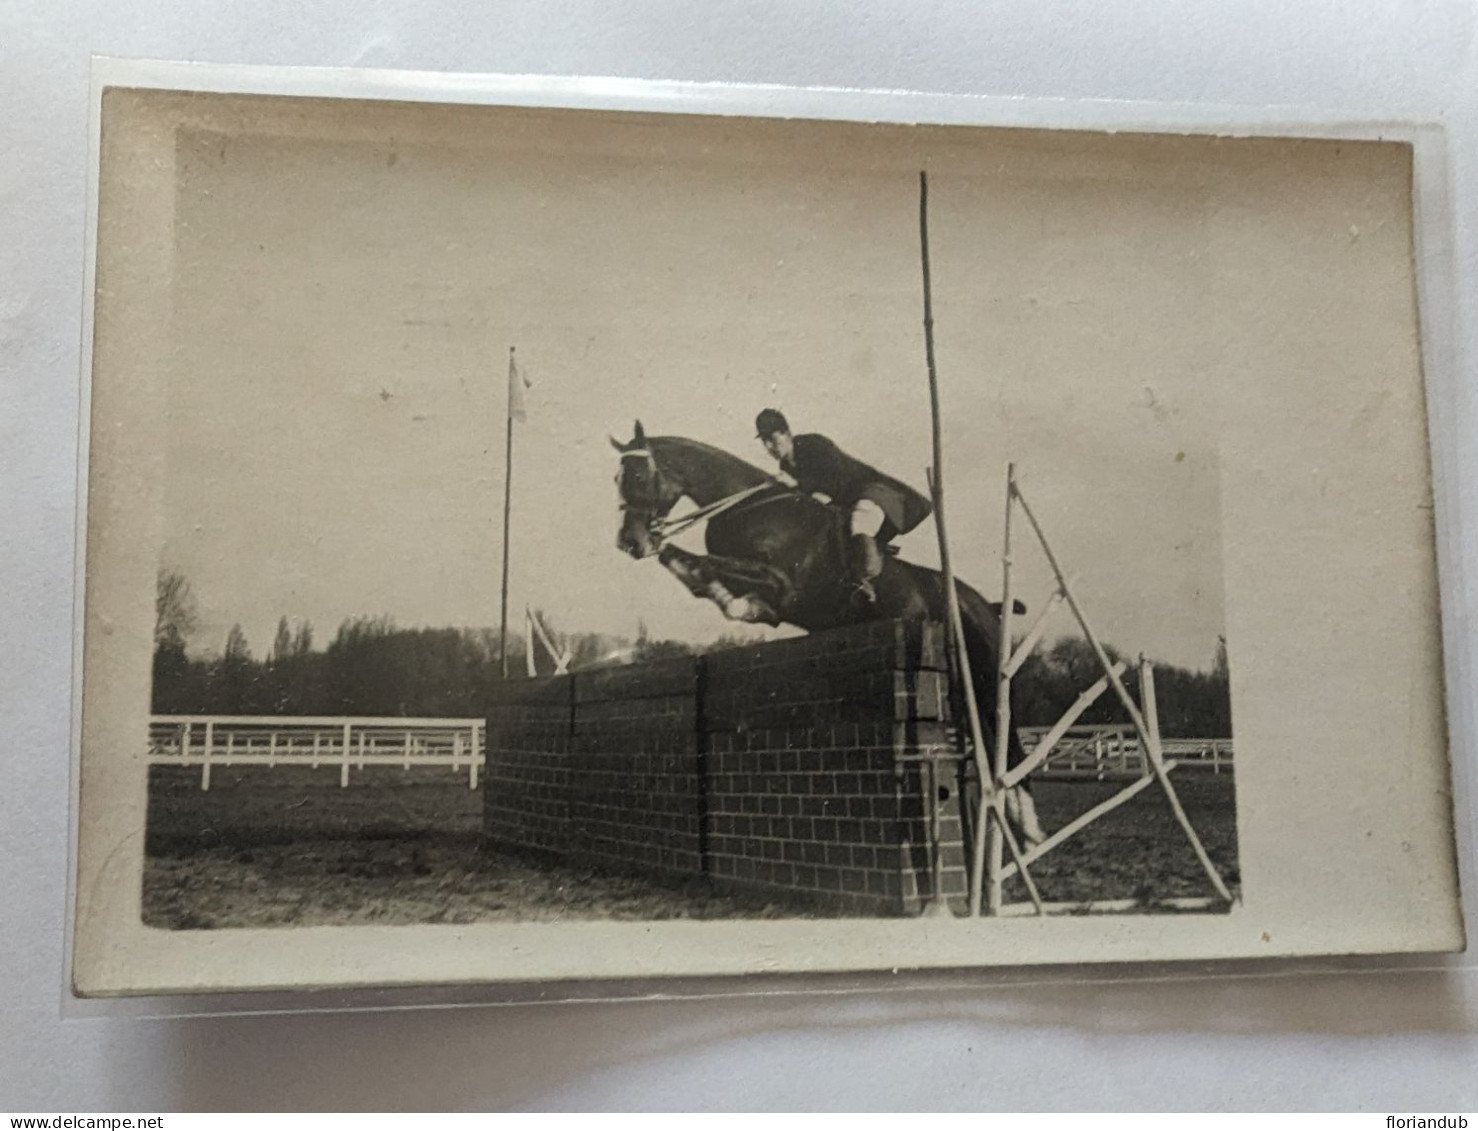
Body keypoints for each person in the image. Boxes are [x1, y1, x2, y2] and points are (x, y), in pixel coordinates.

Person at [755, 408, 933, 604]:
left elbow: (836, 479)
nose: (770, 447)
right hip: (844, 504)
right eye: (765, 442)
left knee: (860, 521)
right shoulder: (786, 467)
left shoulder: (812, 445)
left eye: (772, 439)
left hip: (873, 491)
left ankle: (866, 581)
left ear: (787, 433)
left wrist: (797, 486)